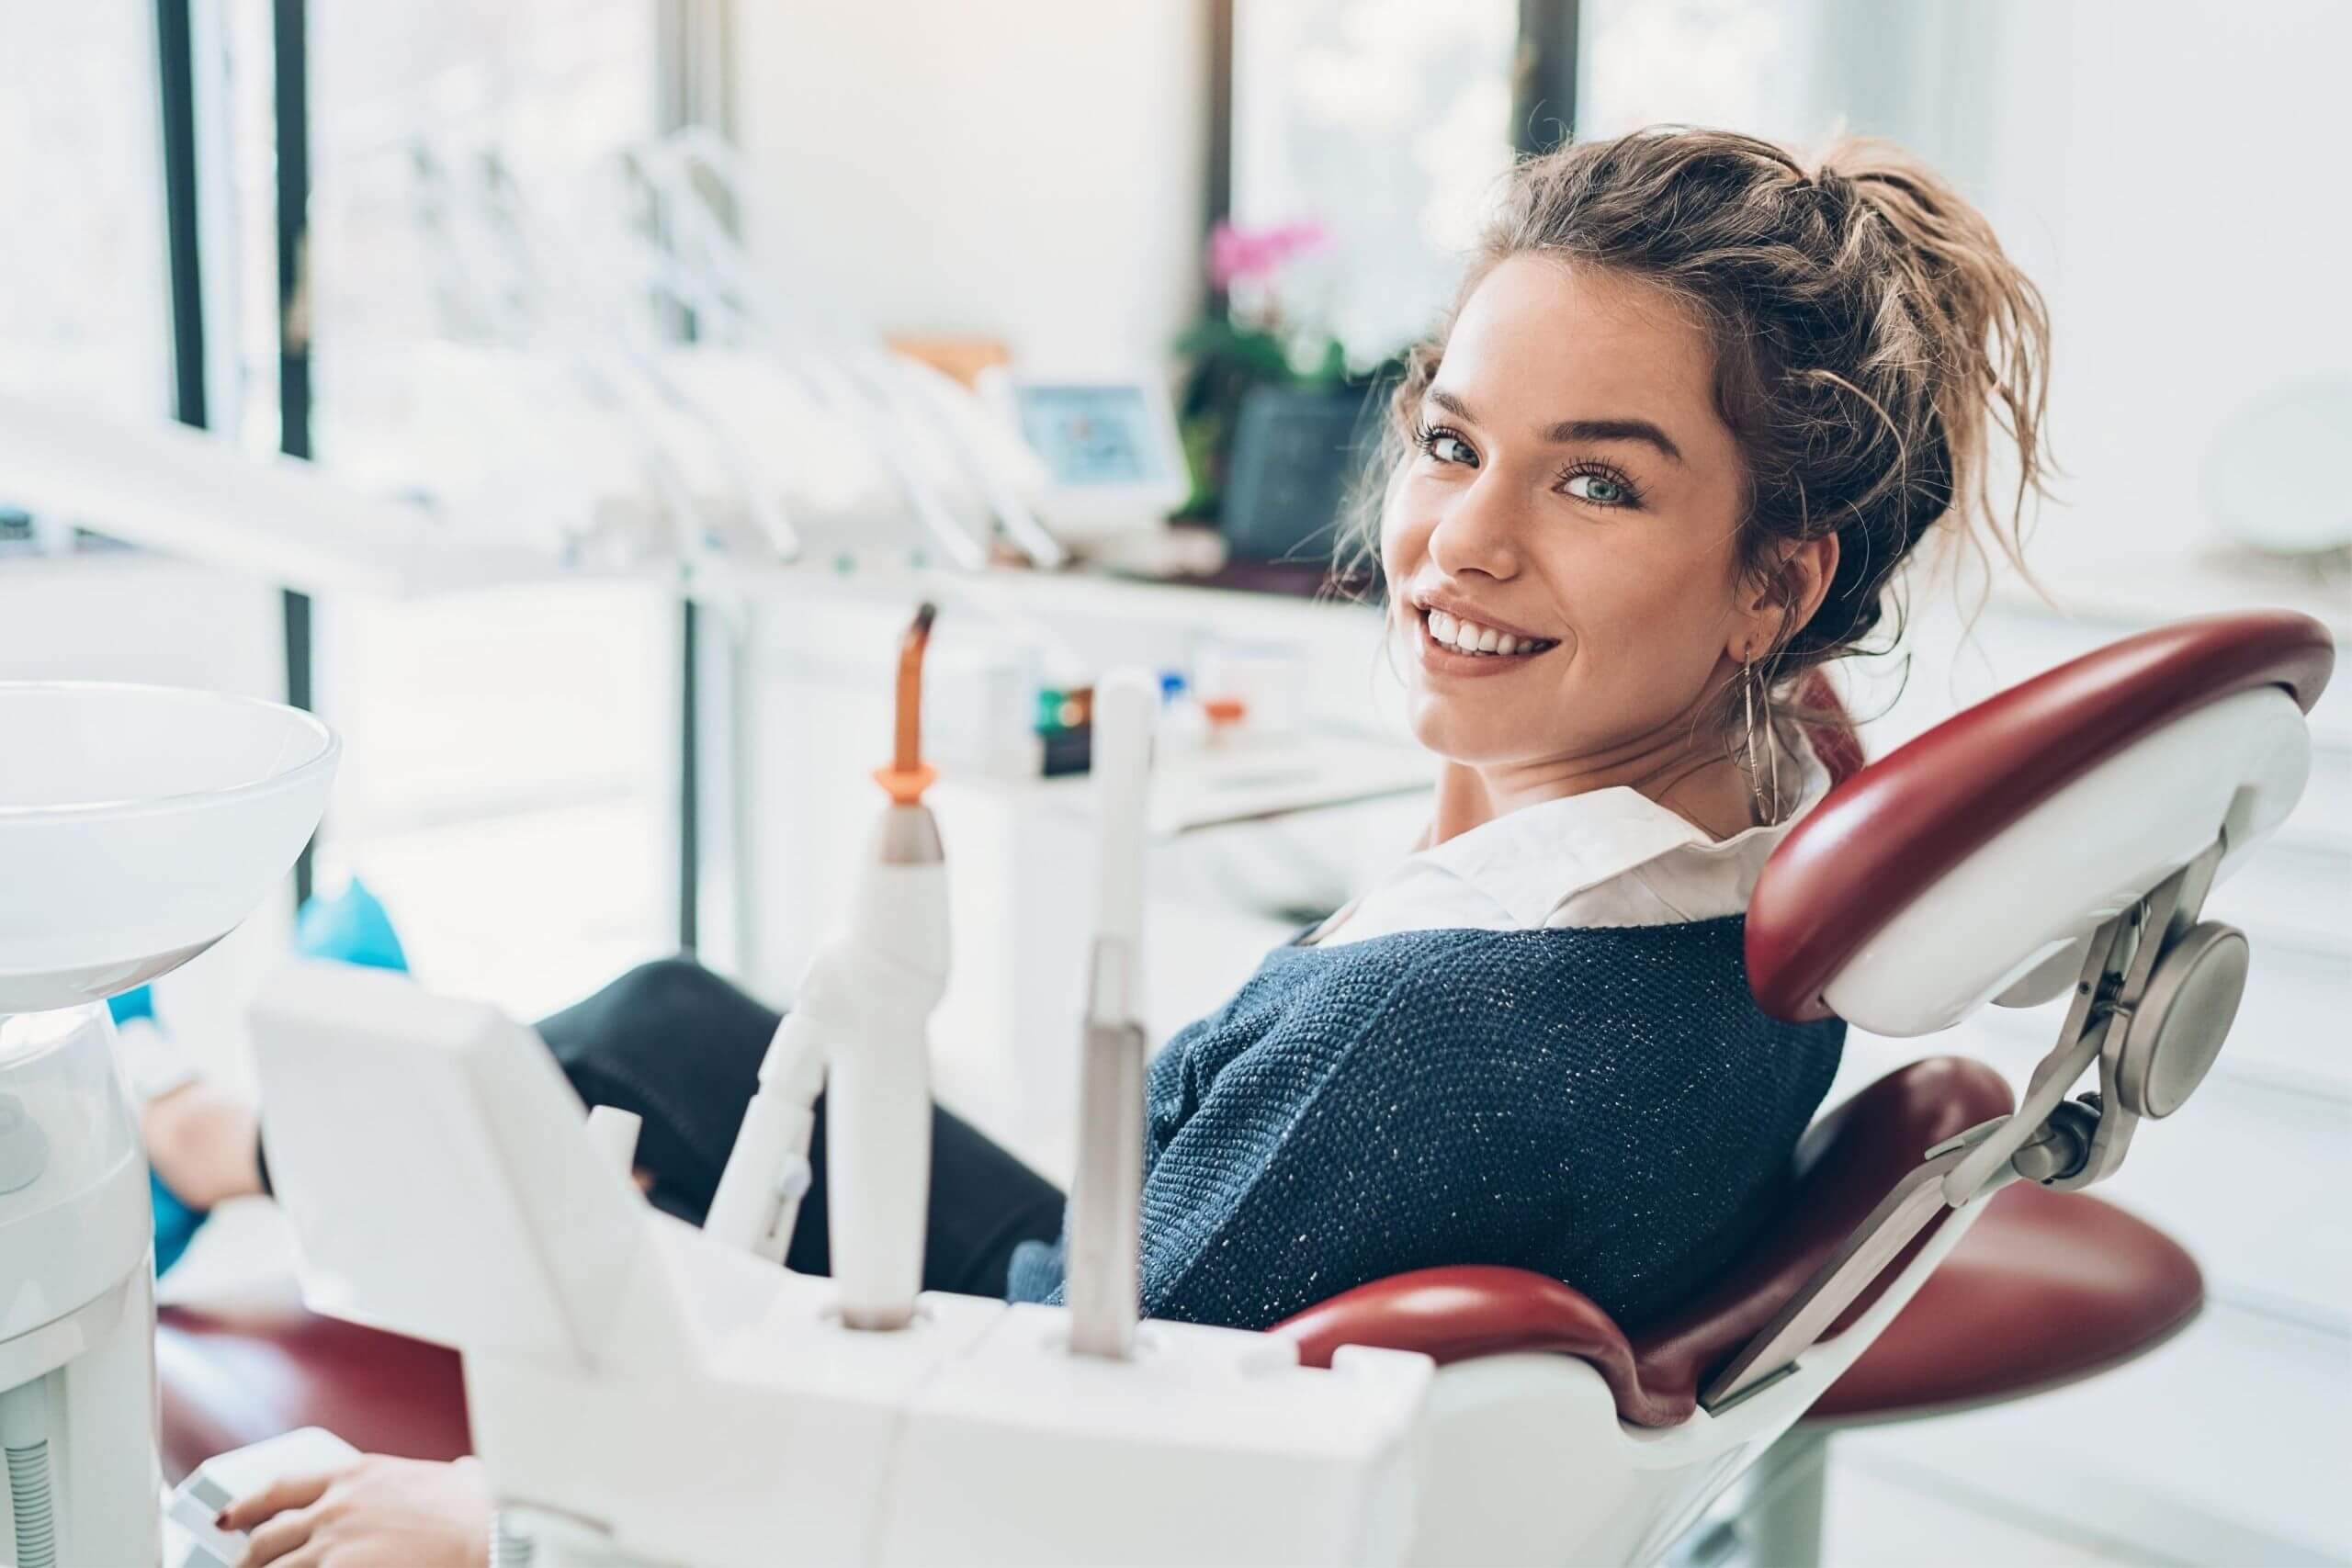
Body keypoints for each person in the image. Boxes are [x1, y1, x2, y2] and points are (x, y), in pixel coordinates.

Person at [201, 125, 2050, 1565]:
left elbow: (1042, 1477)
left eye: (1594, 480)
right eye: (1447, 440)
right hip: (1172, 1275)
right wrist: (1474, 767)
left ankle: (199, 1146)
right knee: (670, 1024)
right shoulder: (1771, 844)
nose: (1451, 546)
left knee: (627, 1063)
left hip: (1023, 1379)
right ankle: (225, 1137)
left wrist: (508, 1512)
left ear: (1773, 580)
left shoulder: (1422, 1049)